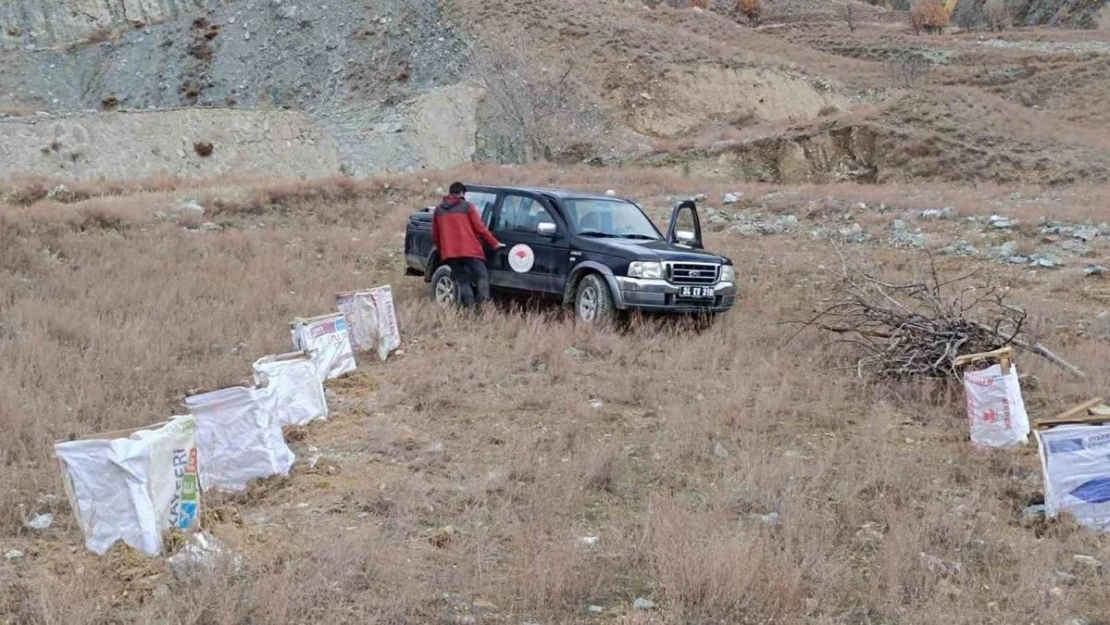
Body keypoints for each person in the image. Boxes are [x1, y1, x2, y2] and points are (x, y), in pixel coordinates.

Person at [431, 182, 503, 310]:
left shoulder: (438, 210)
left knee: (462, 280)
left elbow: (436, 235)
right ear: (462, 193)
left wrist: (443, 251)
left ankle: (471, 308)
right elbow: (480, 228)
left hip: (451, 254)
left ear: (450, 192)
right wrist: (494, 243)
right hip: (470, 250)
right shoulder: (467, 206)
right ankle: (483, 305)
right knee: (482, 275)